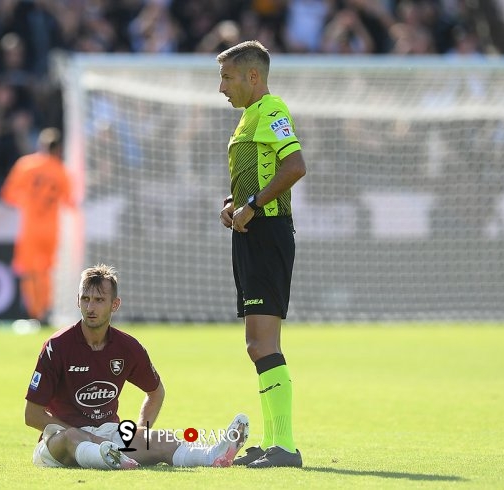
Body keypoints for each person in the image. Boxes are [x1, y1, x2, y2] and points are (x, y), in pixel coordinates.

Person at [24, 264, 250, 469]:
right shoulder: (57, 346)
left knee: (163, 439)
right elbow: (32, 415)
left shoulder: (128, 347)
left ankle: (213, 456)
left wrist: (141, 430)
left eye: (99, 300)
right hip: (60, 438)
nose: (90, 307)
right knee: (74, 437)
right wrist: (88, 436)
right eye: (86, 299)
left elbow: (155, 392)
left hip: (109, 434)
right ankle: (107, 457)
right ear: (78, 301)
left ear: (115, 304)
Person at [217, 40, 307, 468]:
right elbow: (262, 174)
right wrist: (236, 203)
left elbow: (295, 166)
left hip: (267, 232)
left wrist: (252, 205)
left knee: (262, 343)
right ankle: (274, 441)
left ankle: (285, 445)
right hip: (252, 232)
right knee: (257, 344)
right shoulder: (249, 119)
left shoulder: (271, 110)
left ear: (253, 76)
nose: (221, 88)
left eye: (227, 77)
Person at [0, 128, 74, 324]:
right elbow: (69, 201)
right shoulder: (61, 171)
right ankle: (46, 310)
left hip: (31, 228)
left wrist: (28, 201)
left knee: (29, 271)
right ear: (58, 149)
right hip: (51, 229)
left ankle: (35, 313)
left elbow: (8, 194)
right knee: (46, 271)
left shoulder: (26, 165)